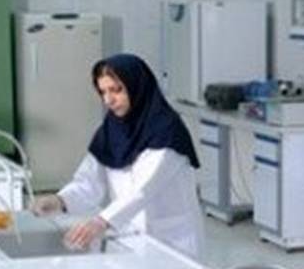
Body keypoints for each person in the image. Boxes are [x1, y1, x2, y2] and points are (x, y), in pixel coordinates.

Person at [31, 53, 203, 258]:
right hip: (129, 236)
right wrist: (60, 200)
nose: (108, 100)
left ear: (137, 86)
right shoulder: (111, 130)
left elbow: (142, 190)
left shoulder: (167, 131)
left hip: (172, 240)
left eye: (116, 90)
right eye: (103, 92)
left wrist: (101, 221)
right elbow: (89, 181)